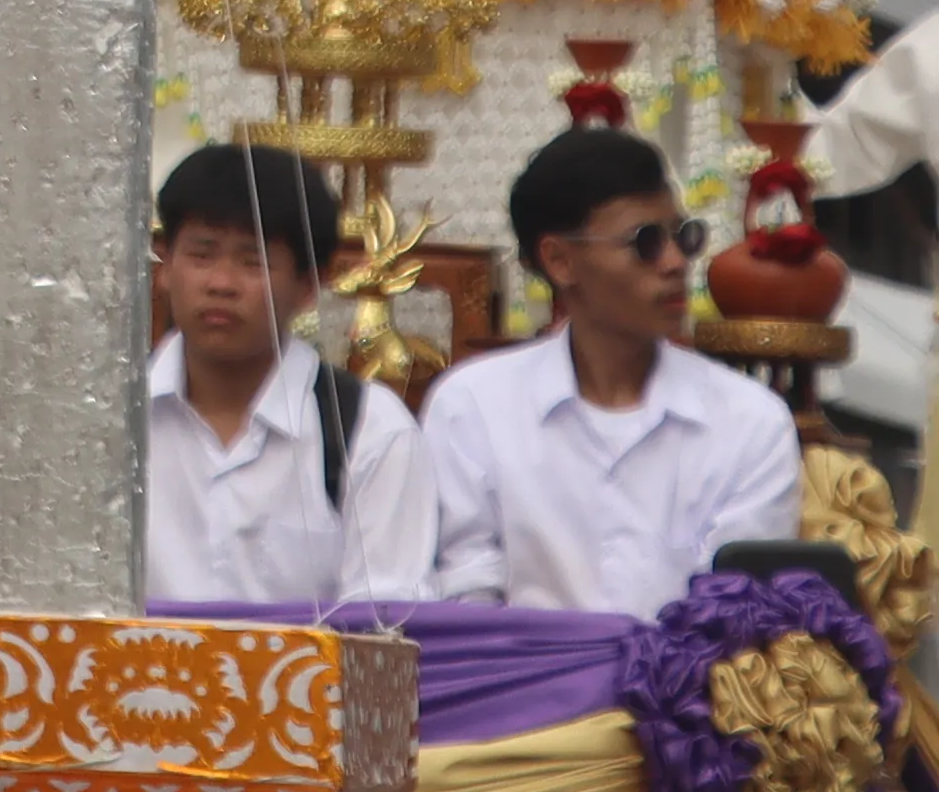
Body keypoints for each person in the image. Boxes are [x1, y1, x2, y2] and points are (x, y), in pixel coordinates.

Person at [425, 125, 804, 609]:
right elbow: (467, 596)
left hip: (688, 683)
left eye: (683, 237)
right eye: (645, 242)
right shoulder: (473, 405)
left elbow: (735, 616)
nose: (674, 263)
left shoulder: (751, 421)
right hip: (523, 682)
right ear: (560, 261)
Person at [144, 145, 432, 609]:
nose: (221, 283)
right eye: (201, 255)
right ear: (165, 267)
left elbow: (384, 629)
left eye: (252, 262)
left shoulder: (369, 430)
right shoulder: (108, 424)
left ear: (309, 285)